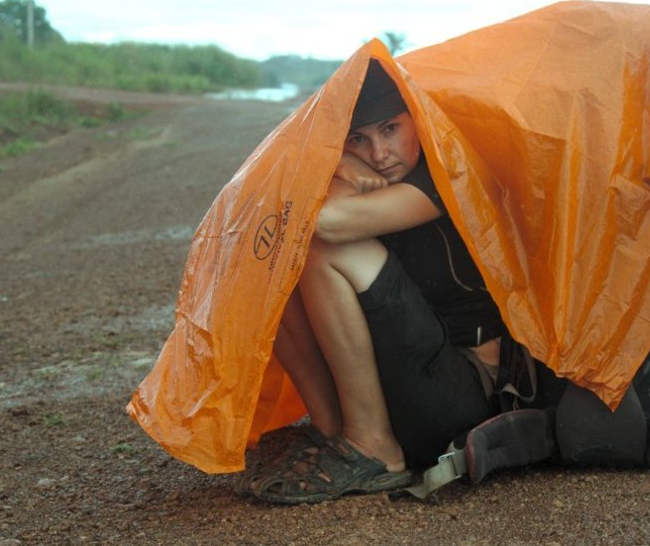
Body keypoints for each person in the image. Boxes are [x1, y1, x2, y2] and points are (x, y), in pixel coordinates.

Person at [236, 60, 570, 504]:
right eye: (359, 138)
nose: (378, 154)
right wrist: (336, 161)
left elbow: (327, 223)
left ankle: (375, 448)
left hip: (463, 400)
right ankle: (333, 430)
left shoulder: (448, 172)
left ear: (417, 119)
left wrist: (340, 167)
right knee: (277, 255)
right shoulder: (365, 167)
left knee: (324, 247)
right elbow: (293, 219)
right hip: (407, 382)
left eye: (391, 129)